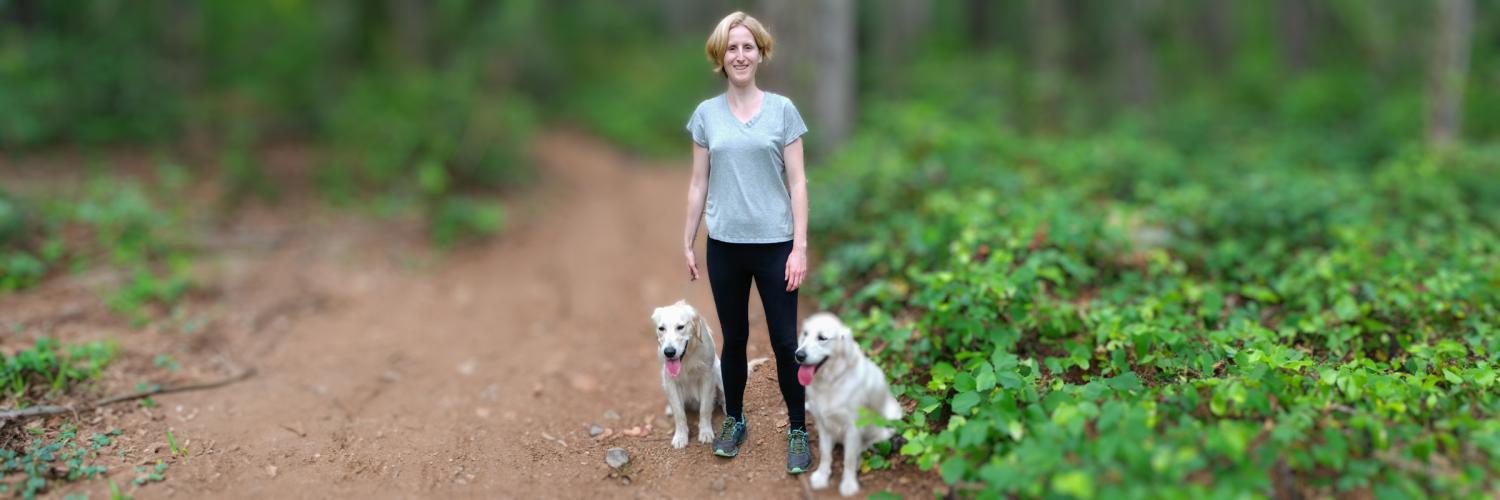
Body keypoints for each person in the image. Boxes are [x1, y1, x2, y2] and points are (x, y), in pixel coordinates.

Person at [682, 11, 812, 474]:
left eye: (748, 47)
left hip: (776, 244)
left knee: (783, 341)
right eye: (731, 48)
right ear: (721, 56)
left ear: (761, 53)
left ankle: (798, 427)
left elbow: (797, 183)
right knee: (734, 338)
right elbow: (699, 183)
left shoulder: (782, 110)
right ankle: (735, 420)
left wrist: (799, 247)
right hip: (726, 247)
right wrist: (688, 240)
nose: (740, 55)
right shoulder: (706, 116)